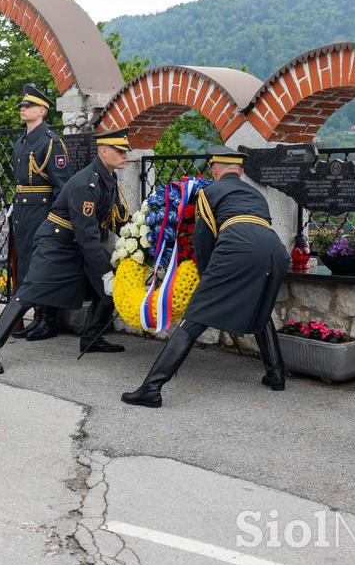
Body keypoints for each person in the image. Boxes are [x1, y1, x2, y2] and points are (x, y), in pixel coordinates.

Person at [121, 145, 290, 408]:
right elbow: (260, 228)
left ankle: (152, 388)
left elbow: (202, 238)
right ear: (241, 171)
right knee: (261, 307)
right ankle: (276, 374)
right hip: (275, 252)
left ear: (214, 169)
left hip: (237, 251)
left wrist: (206, 275)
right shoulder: (256, 194)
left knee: (194, 318)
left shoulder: (209, 192)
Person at [0, 129, 132, 374]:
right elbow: (87, 235)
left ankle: (91, 338)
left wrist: (140, 235)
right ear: (103, 152)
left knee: (113, 282)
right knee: (28, 294)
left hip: (76, 243)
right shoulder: (87, 182)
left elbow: (113, 218)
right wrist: (104, 272)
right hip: (57, 244)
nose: (125, 155)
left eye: (126, 151)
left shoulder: (106, 178)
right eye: (120, 151)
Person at [9, 84, 73, 341]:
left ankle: (48, 320)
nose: (23, 109)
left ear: (42, 111)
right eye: (22, 106)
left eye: (28, 106)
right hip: (23, 210)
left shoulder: (50, 142)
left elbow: (62, 186)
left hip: (42, 211)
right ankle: (37, 317)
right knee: (26, 264)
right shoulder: (22, 141)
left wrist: (54, 219)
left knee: (44, 265)